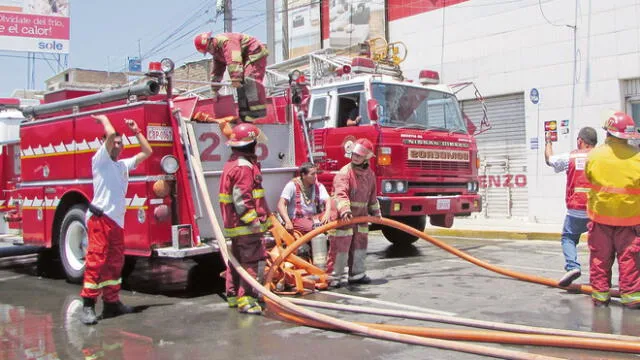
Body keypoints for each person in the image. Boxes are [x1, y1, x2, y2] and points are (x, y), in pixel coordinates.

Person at [80, 115, 152, 325]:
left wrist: (137, 130)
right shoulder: (100, 160)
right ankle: (88, 306)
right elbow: (110, 134)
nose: (118, 145)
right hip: (100, 219)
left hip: (116, 223)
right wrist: (104, 119)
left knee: (114, 264)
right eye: (115, 142)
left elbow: (147, 152)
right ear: (106, 144)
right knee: (96, 262)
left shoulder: (122, 165)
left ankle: (112, 303)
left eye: (121, 143)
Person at [584, 110, 640, 308]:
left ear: (608, 133)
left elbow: (589, 178)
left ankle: (600, 297)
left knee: (600, 258)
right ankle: (632, 299)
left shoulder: (594, 156)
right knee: (630, 261)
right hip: (630, 221)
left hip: (600, 220)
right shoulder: (637, 157)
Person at [219, 123, 270, 315]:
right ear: (251, 144)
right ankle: (246, 299)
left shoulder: (233, 163)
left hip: (235, 225)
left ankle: (232, 296)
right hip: (245, 226)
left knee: (237, 261)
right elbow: (242, 199)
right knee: (251, 261)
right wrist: (253, 222)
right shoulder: (243, 167)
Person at [544, 126, 598, 287]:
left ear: (580, 141)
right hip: (598, 211)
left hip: (576, 210)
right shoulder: (602, 156)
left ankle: (573, 267)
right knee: (598, 244)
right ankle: (599, 277)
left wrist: (548, 141)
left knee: (568, 238)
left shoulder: (571, 157)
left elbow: (550, 160)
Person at [326, 138, 381, 287]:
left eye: (360, 155)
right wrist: (345, 210)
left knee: (359, 246)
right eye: (355, 154)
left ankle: (357, 275)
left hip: (360, 217)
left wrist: (377, 215)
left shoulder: (369, 175)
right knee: (340, 249)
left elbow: (372, 197)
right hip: (343, 217)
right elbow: (340, 194)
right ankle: (334, 278)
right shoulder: (345, 173)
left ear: (366, 157)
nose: (356, 157)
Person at [194, 32, 269, 123]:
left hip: (254, 54)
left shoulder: (226, 41)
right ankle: (244, 114)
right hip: (244, 58)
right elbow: (217, 72)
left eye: (209, 48)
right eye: (208, 51)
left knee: (250, 80)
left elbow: (234, 59)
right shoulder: (217, 53)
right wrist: (215, 90)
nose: (210, 52)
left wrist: (235, 78)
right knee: (240, 85)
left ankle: (258, 112)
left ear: (211, 41)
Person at [277, 162, 331, 264]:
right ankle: (318, 261)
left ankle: (328, 258)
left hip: (314, 218)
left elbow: (328, 200)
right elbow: (281, 205)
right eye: (312, 174)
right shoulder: (292, 186)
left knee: (334, 216)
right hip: (297, 219)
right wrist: (287, 221)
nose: (315, 176)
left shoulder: (318, 186)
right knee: (316, 229)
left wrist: (327, 213)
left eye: (316, 173)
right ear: (303, 175)